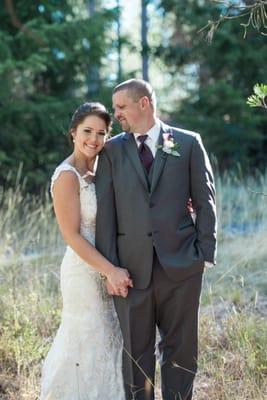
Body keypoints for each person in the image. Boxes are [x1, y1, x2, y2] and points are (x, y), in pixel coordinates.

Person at [95, 79, 217, 400]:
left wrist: (203, 254)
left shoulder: (188, 143)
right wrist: (110, 269)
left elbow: (205, 201)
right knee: (137, 354)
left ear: (144, 103)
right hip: (130, 272)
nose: (116, 113)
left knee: (181, 351)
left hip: (181, 267)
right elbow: (106, 214)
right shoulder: (111, 151)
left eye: (121, 106)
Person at [40, 102, 132, 400]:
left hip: (108, 266)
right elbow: (71, 235)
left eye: (101, 133)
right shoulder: (67, 176)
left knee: (109, 340)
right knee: (86, 338)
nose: (94, 139)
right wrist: (111, 270)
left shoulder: (102, 168)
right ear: (73, 133)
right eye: (87, 131)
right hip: (83, 270)